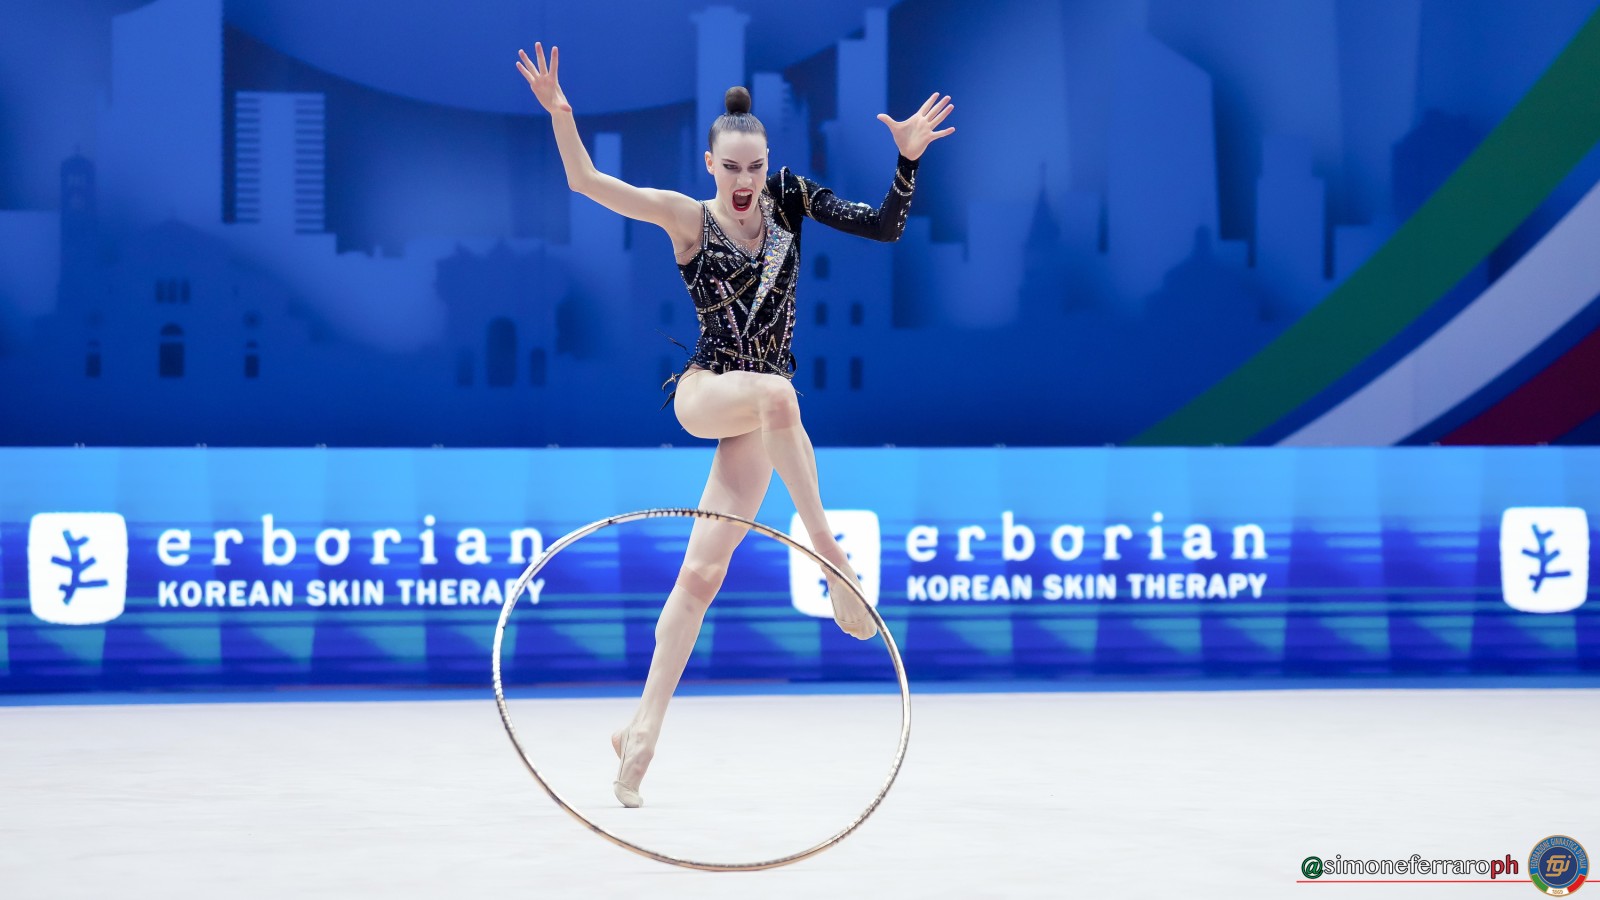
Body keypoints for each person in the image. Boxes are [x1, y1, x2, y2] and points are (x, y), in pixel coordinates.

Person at [515, 43, 954, 808]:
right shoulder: (689, 219)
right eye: (731, 169)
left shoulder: (790, 201)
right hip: (708, 389)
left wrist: (908, 161)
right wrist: (561, 114)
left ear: (767, 164)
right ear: (710, 166)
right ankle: (834, 563)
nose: (745, 181)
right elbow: (586, 182)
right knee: (780, 397)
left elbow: (885, 227)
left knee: (700, 575)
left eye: (755, 167)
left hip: (761, 412)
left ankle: (639, 734)